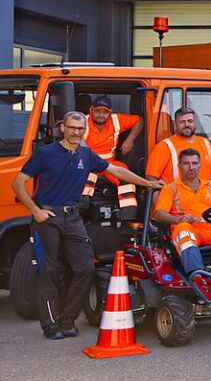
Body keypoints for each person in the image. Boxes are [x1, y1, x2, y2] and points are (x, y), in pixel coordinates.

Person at [12, 111, 160, 340]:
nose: (76, 133)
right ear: (63, 128)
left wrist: (148, 183)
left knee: (85, 268)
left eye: (80, 129)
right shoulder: (45, 153)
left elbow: (116, 171)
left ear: (84, 131)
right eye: (72, 128)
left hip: (72, 218)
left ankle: (68, 319)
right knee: (50, 271)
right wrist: (36, 211)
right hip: (48, 216)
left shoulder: (85, 154)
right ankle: (50, 324)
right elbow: (18, 183)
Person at [82, 95, 144, 219]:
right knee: (84, 183)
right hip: (88, 163)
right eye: (98, 111)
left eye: (105, 112)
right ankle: (81, 219)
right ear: (91, 110)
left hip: (109, 163)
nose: (101, 115)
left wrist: (130, 140)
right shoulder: (82, 121)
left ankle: (128, 222)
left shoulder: (116, 120)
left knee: (127, 179)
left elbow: (139, 120)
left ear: (110, 113)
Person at [145, 107, 211, 186]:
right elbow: (151, 177)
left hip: (205, 197)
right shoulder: (164, 146)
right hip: (177, 197)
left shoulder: (206, 144)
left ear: (195, 123)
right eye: (182, 122)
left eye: (190, 121)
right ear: (175, 124)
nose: (187, 125)